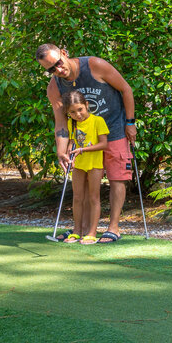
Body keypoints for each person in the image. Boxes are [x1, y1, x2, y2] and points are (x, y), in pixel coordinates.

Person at [37, 45, 137, 243]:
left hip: (115, 129)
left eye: (58, 63)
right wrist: (61, 151)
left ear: (64, 53)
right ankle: (81, 229)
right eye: (51, 69)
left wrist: (130, 122)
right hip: (83, 138)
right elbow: (61, 122)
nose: (58, 70)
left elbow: (126, 89)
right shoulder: (54, 87)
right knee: (83, 186)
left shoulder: (94, 65)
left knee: (117, 178)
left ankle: (113, 228)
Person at [61, 92, 109, 244]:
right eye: (72, 112)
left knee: (93, 198)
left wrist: (82, 150)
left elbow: (103, 144)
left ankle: (92, 233)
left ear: (86, 105)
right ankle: (77, 231)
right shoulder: (72, 122)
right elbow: (72, 141)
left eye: (80, 109)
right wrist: (69, 150)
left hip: (94, 163)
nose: (78, 114)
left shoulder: (97, 121)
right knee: (77, 197)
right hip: (79, 164)